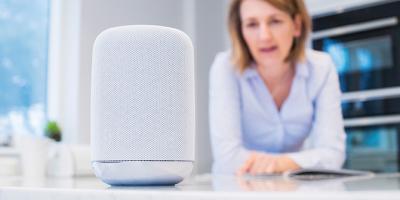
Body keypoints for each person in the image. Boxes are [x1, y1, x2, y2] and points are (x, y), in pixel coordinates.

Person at [209, 0, 346, 175]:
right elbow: (227, 156)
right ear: (241, 31)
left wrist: (280, 164)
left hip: (295, 186)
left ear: (296, 25)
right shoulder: (226, 68)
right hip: (237, 184)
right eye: (252, 24)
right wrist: (293, 163)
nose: (264, 36)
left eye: (275, 21)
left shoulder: (321, 68)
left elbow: (333, 154)